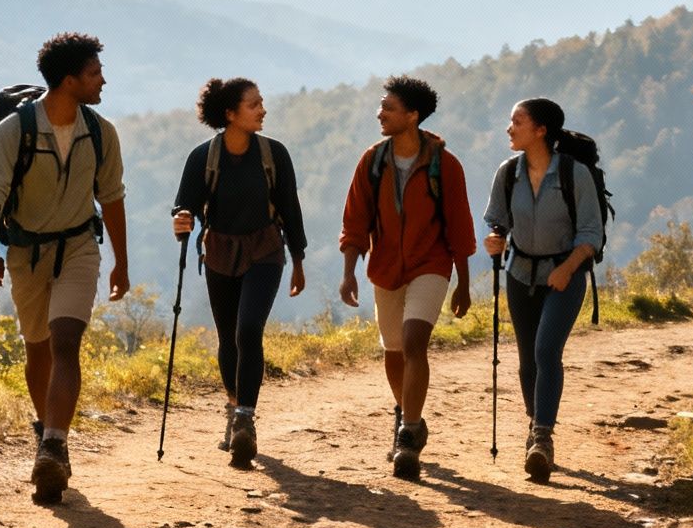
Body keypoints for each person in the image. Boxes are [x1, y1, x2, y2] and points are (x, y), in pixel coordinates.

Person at [0, 33, 129, 504]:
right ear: (68, 80)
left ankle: (55, 446)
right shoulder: (14, 132)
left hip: (79, 247)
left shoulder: (101, 132)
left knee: (65, 341)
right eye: (95, 73)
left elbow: (112, 198)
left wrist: (121, 262)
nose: (103, 81)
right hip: (26, 254)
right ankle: (47, 433)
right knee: (37, 349)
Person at [339, 75, 475, 480]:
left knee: (415, 342)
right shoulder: (372, 161)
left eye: (388, 108)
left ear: (412, 116)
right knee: (394, 351)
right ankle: (406, 413)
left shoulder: (444, 165)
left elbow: (459, 227)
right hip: (385, 268)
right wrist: (349, 273)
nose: (379, 113)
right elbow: (355, 221)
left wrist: (464, 283)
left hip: (430, 264)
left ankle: (409, 436)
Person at [170, 78, 308, 468]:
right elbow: (185, 206)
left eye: (261, 102)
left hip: (265, 250)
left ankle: (245, 418)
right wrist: (181, 220)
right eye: (254, 104)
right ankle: (233, 408)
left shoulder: (274, 154)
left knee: (248, 329)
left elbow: (289, 207)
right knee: (229, 337)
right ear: (230, 114)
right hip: (219, 253)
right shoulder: (203, 157)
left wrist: (298, 259)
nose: (263, 110)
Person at [482, 97, 603, 483]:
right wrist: (495, 240)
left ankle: (543, 438)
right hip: (520, 274)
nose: (509, 128)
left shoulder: (574, 174)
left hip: (564, 274)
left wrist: (568, 268)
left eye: (517, 122)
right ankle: (536, 429)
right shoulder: (508, 173)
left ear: (540, 130)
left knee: (546, 350)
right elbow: (498, 222)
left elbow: (591, 233)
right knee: (527, 359)